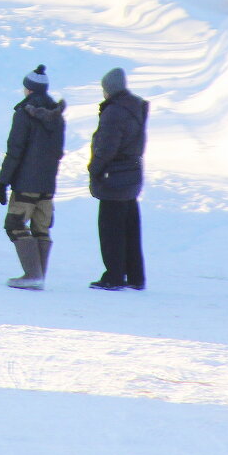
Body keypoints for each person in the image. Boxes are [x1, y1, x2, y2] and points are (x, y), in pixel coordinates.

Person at [0, 65, 66, 290]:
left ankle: (32, 274)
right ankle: (39, 275)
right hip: (48, 183)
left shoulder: (24, 114)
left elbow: (15, 149)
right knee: (41, 228)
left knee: (15, 223)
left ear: (28, 89)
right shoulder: (57, 117)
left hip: (26, 182)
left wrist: (4, 179)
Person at [88, 67, 149, 291]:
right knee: (130, 229)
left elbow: (106, 147)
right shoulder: (135, 107)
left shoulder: (114, 112)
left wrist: (94, 168)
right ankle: (135, 276)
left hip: (114, 177)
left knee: (111, 230)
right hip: (132, 174)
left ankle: (113, 276)